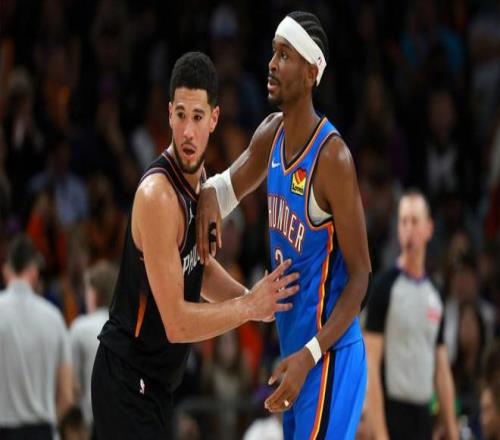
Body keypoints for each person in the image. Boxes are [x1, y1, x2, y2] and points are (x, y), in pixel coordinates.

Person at [91, 51, 299, 440]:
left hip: (154, 384)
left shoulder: (199, 181)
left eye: (198, 117)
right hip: (126, 379)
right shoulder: (158, 196)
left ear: (214, 119)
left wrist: (256, 303)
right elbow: (176, 322)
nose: (188, 131)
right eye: (181, 115)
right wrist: (248, 306)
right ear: (169, 114)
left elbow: (197, 269)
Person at [197, 12, 372, 439]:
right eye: (273, 53)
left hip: (328, 356)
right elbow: (224, 188)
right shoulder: (270, 134)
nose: (271, 64)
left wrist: (309, 355)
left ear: (311, 73)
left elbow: (361, 276)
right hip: (296, 357)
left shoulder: (332, 158)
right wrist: (202, 200)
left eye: (285, 55)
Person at [364, 191, 458, 440]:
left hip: (424, 415)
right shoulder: (384, 287)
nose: (408, 229)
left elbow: (441, 368)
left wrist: (452, 430)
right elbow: (370, 363)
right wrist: (380, 433)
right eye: (403, 221)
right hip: (392, 413)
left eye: (415, 221)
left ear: (429, 229)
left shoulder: (435, 293)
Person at [0, 234, 73, 439]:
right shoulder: (54, 318)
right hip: (42, 430)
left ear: (6, 271)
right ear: (34, 272)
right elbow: (66, 396)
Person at [70, 260, 117, 430]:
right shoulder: (127, 327)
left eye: (88, 290)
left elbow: (73, 383)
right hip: (123, 419)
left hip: (92, 421)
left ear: (95, 293)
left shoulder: (80, 327)